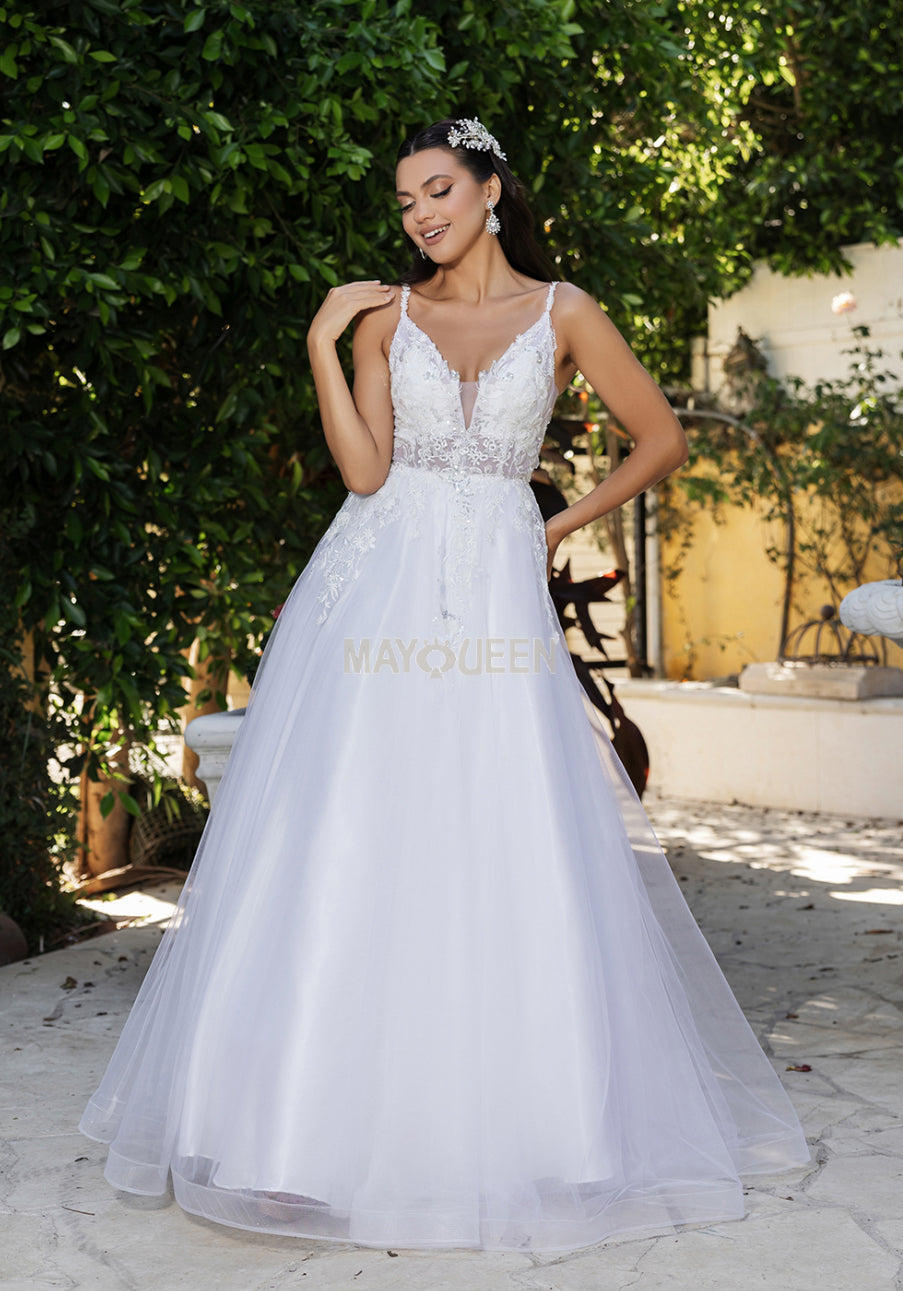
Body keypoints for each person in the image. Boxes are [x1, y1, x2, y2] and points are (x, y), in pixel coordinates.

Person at [78, 115, 809, 1253]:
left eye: (438, 190)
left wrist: (553, 523)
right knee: (354, 830)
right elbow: (366, 473)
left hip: (495, 597)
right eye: (406, 201)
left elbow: (660, 438)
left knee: (503, 827)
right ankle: (297, 1135)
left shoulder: (564, 312)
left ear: (488, 189)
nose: (420, 214)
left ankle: (529, 1130)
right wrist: (324, 344)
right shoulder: (385, 317)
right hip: (375, 591)